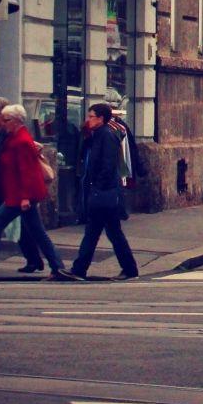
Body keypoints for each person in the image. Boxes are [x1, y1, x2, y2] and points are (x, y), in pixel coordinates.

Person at [0, 105, 75, 280]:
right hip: (18, 194)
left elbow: (27, 171)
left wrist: (24, 197)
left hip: (21, 196)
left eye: (7, 120)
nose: (4, 123)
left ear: (16, 121)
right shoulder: (13, 137)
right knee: (38, 232)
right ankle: (57, 267)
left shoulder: (21, 141)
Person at [0, 98, 44, 273]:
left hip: (5, 185)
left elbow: (20, 161)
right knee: (19, 223)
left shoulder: (10, 133)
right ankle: (35, 259)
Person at [70, 103, 138, 281]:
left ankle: (80, 269)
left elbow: (107, 166)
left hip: (104, 193)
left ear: (100, 118)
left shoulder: (106, 136)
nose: (88, 119)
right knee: (101, 233)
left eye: (91, 116)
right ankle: (80, 269)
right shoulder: (97, 135)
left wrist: (97, 188)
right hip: (102, 193)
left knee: (103, 233)